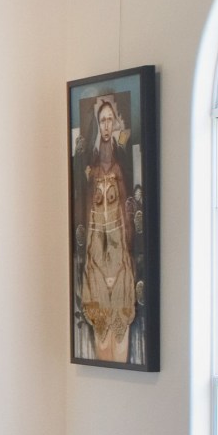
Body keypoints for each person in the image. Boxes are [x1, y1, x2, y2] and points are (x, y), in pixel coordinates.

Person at [76, 95, 141, 364]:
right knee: (102, 333)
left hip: (118, 250)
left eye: (109, 120)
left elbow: (127, 205)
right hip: (96, 253)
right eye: (101, 120)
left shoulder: (121, 160)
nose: (105, 125)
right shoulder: (89, 162)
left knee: (120, 328)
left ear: (114, 123)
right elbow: (83, 202)